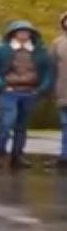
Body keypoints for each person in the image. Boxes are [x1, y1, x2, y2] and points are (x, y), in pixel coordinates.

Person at [0, 20, 52, 170]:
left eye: (27, 31)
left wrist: (41, 89)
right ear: (13, 33)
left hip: (30, 92)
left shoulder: (39, 51)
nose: (23, 34)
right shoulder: (1, 49)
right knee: (7, 122)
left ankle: (17, 155)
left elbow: (48, 72)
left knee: (22, 126)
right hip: (9, 91)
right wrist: (0, 85)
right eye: (20, 31)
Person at [49, 12, 67, 170]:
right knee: (65, 124)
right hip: (63, 89)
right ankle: (64, 156)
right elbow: (51, 67)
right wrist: (51, 88)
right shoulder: (58, 43)